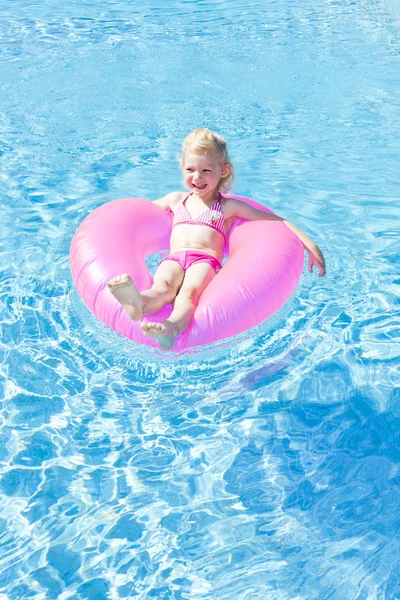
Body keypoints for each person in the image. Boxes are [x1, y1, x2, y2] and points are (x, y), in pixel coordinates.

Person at [107, 128, 326, 350]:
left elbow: (275, 221)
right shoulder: (175, 200)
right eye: (190, 169)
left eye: (206, 170)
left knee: (188, 294)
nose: (197, 177)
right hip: (173, 258)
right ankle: (138, 302)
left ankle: (170, 328)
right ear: (182, 169)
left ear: (223, 171)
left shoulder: (227, 207)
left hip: (204, 261)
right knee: (162, 287)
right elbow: (134, 216)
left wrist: (309, 243)